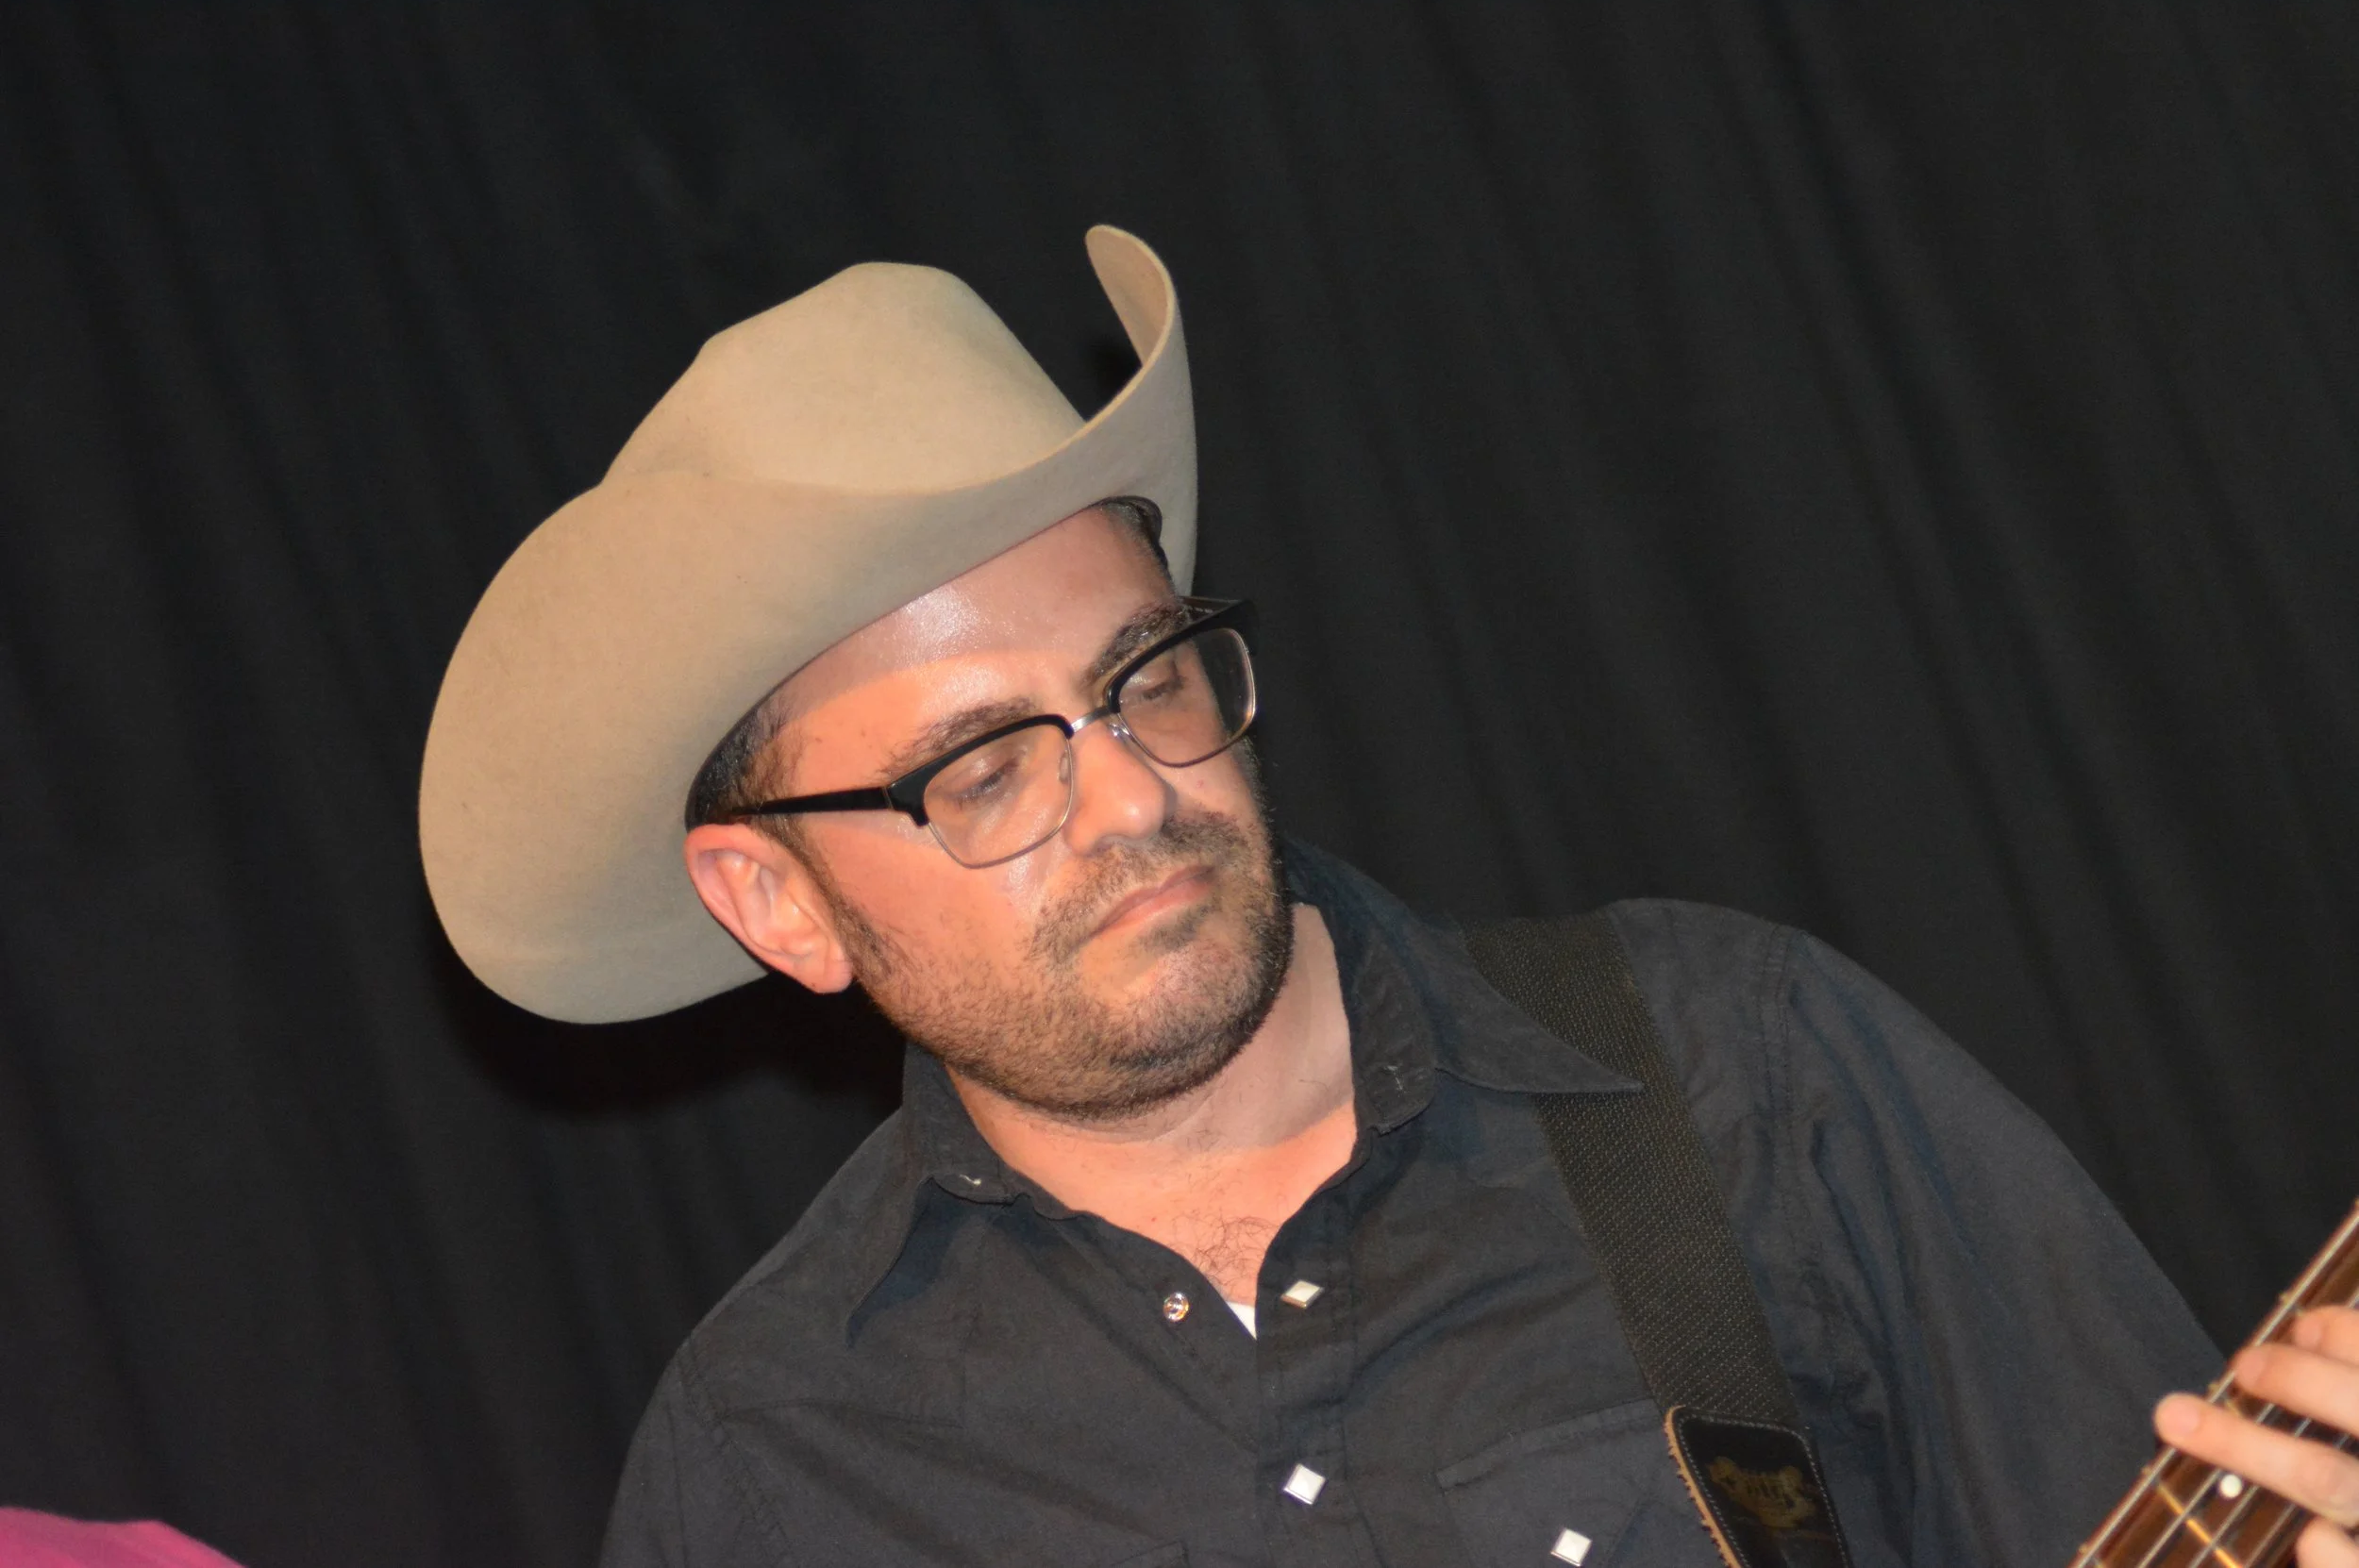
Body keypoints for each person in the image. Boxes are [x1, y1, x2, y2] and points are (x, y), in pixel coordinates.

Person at [419, 229, 2359, 1567]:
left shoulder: (1731, 1069)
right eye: (982, 765)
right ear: (777, 901)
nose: (1131, 795)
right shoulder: (766, 1461)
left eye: (1145, 675)